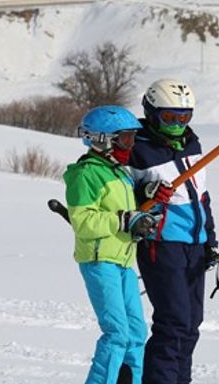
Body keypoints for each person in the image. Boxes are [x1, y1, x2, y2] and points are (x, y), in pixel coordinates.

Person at [63, 105, 161, 384]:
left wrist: (145, 209)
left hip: (123, 260)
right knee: (116, 333)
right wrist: (126, 220)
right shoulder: (86, 174)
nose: (130, 145)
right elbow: (82, 221)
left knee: (136, 333)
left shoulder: (120, 173)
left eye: (132, 138)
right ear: (102, 139)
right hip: (99, 261)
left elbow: (127, 215)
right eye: (126, 138)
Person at [129, 79, 218, 384]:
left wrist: (210, 240)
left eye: (184, 117)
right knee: (173, 323)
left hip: (194, 243)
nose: (178, 124)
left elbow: (202, 197)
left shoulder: (193, 145)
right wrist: (146, 192)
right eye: (170, 118)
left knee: (192, 323)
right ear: (152, 113)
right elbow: (123, 195)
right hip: (161, 243)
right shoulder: (138, 149)